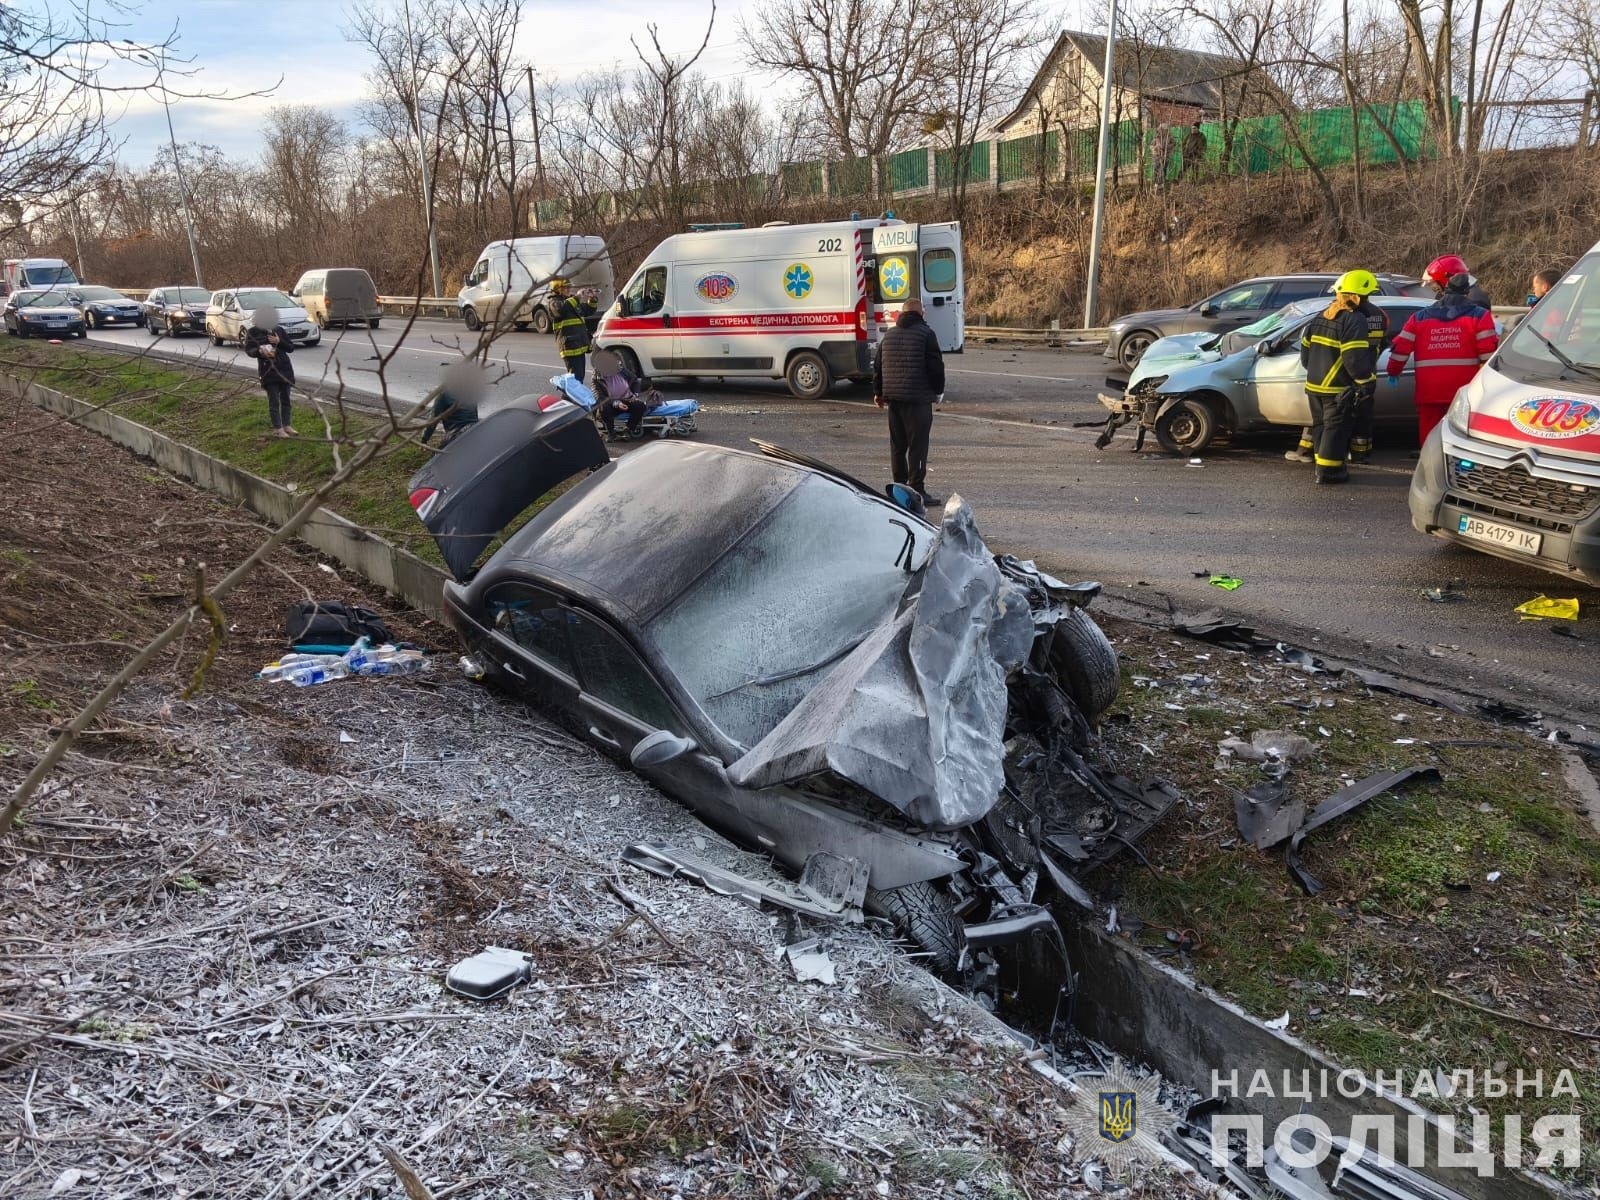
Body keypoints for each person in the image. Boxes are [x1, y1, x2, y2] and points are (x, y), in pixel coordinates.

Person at [1286, 272, 1389, 464]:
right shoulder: (1369, 316)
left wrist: (1318, 370)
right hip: (1350, 379)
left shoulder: (1321, 316)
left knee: (1322, 425)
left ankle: (1322, 463)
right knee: (1345, 423)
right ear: (1362, 294)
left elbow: (1306, 354)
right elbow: (1360, 355)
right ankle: (1341, 464)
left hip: (1319, 381)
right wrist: (1364, 380)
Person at [1385, 271, 1498, 447]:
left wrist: (1393, 371)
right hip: (1464, 391)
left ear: (1444, 290)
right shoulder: (1480, 316)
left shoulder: (1419, 317)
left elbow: (1401, 349)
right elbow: (1488, 355)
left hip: (1429, 390)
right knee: (1460, 436)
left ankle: (1430, 468)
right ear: (1467, 293)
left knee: (1430, 436)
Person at [873, 297, 945, 505]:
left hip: (894, 400)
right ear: (920, 313)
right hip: (918, 400)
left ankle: (898, 489)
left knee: (898, 446)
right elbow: (935, 367)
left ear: (902, 313)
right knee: (917, 446)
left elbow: (878, 366)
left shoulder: (889, 335)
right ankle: (917, 490)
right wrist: (938, 391)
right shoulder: (926, 334)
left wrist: (878, 392)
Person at [243, 306, 297, 438]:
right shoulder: (253, 332)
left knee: (286, 399)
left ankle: (287, 425)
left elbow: (290, 347)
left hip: (284, 369)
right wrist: (259, 352)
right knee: (274, 400)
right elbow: (249, 350)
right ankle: (278, 428)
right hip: (268, 370)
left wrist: (279, 342)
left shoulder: (279, 330)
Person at [590, 348, 652, 441]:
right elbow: (600, 397)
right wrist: (616, 403)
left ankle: (628, 429)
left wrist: (635, 394)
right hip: (611, 404)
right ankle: (611, 433)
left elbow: (634, 380)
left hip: (627, 399)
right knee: (603, 408)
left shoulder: (620, 369)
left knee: (640, 406)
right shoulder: (596, 379)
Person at [422, 358, 485, 447]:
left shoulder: (443, 395)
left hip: (457, 433)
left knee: (439, 458)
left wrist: (424, 440)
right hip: (476, 429)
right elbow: (474, 415)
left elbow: (433, 420)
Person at [549, 278, 594, 383]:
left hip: (578, 345)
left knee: (578, 378)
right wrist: (577, 297)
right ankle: (567, 399)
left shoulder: (570, 302)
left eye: (569, 287)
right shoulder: (554, 303)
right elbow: (563, 308)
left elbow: (587, 310)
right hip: (570, 347)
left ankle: (571, 398)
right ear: (558, 289)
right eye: (566, 287)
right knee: (575, 379)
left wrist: (592, 299)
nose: (569, 289)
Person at [1422, 254, 1492, 310]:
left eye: (1433, 284)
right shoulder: (1444, 295)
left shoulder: (1476, 299)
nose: (1433, 289)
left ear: (1446, 278)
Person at [1151, 124, 1175, 189]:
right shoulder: (1156, 137)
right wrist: (1155, 148)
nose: (1161, 131)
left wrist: (1166, 147)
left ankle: (1161, 183)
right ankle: (1156, 183)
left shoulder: (1169, 137)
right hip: (1156, 156)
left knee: (1162, 170)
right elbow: (1151, 146)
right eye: (1160, 129)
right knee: (1155, 169)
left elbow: (1173, 144)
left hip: (1165, 156)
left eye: (1163, 129)